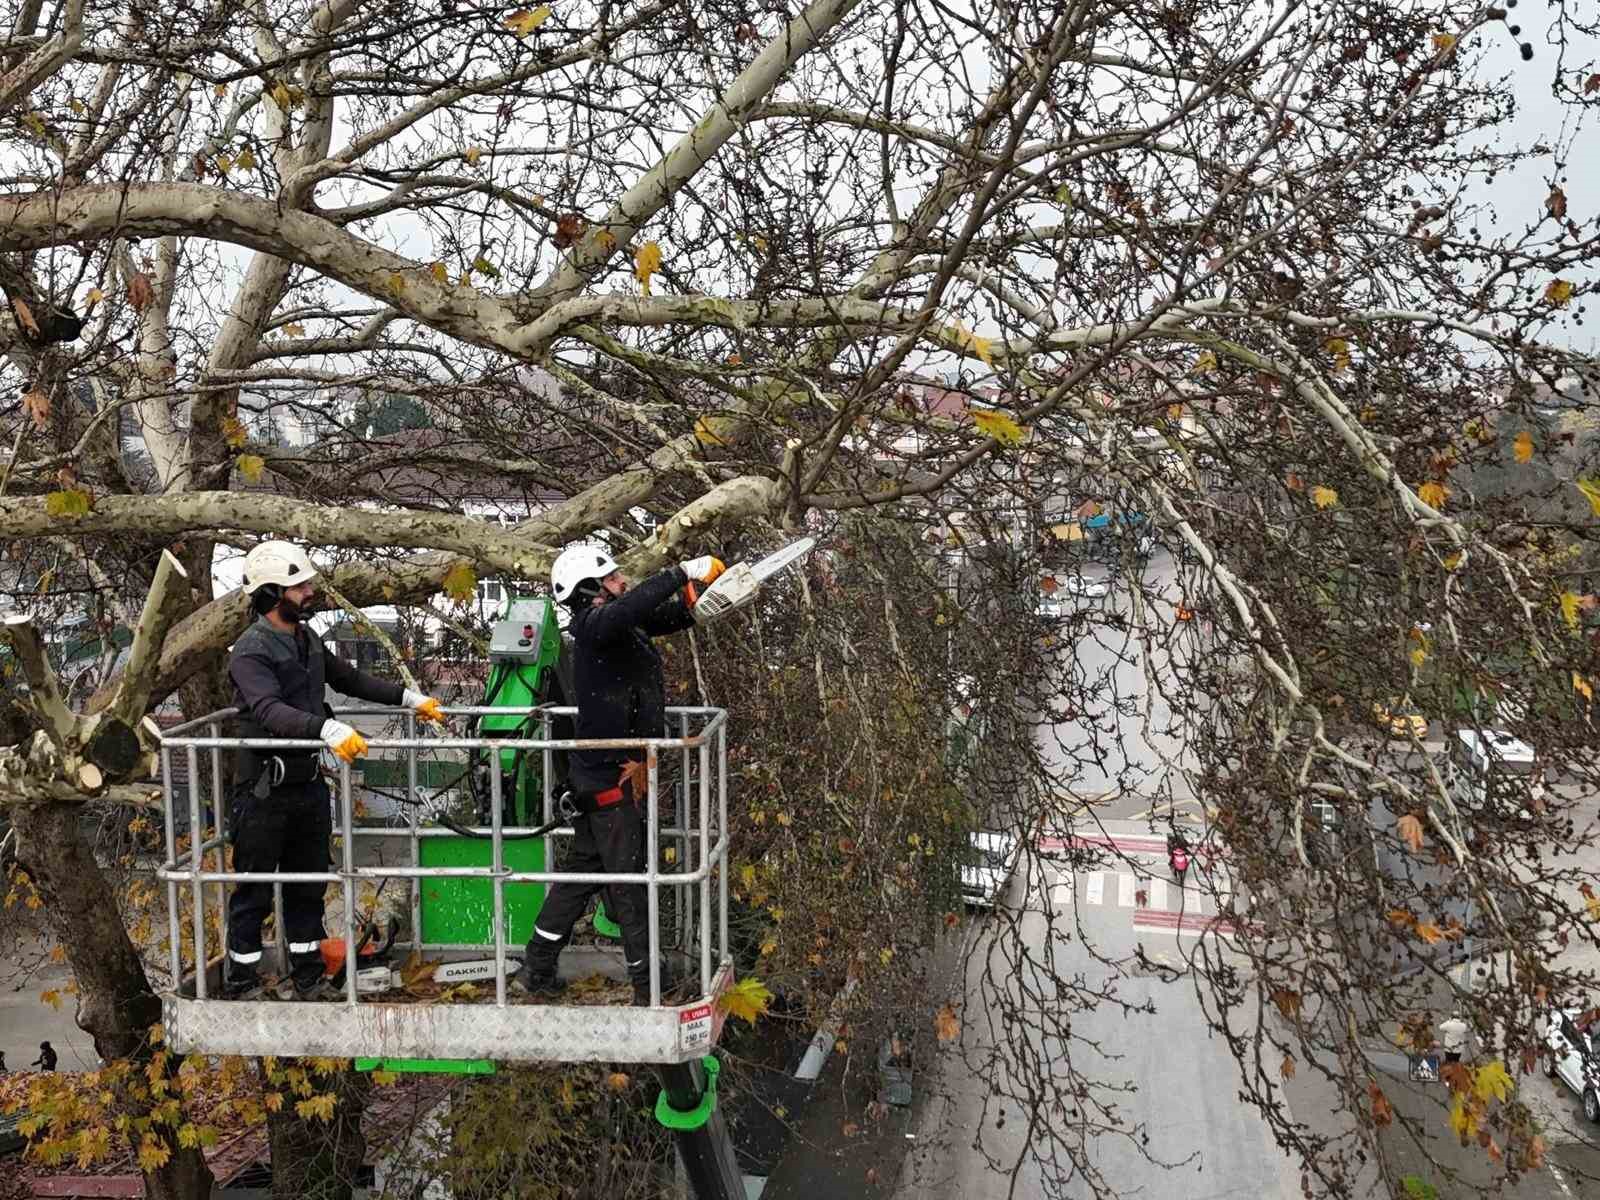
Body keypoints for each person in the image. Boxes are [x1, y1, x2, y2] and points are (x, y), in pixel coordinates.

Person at [224, 540, 445, 1000]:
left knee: (308, 887)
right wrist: (325, 728)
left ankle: (307, 976)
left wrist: (409, 700)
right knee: (255, 890)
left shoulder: (305, 640)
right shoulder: (250, 651)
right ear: (270, 593)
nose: (309, 592)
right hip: (264, 790)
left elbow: (348, 679)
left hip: (305, 786)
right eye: (298, 585)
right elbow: (267, 710)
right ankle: (241, 980)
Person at [516, 544, 724, 1007]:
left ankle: (538, 965)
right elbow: (630, 607)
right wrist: (680, 570)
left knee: (578, 878)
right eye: (611, 579)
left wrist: (698, 604)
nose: (621, 583)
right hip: (610, 778)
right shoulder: (593, 627)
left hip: (606, 775)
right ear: (590, 590)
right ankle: (648, 985)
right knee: (629, 883)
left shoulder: (615, 625)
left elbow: (659, 617)